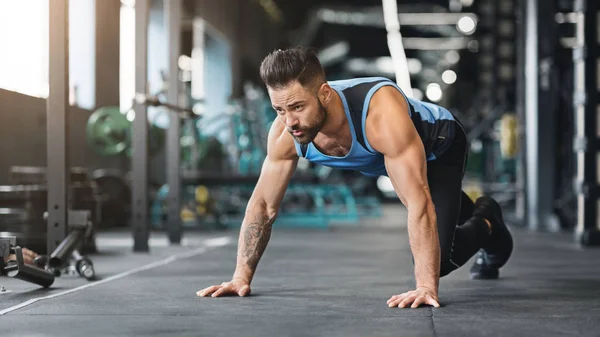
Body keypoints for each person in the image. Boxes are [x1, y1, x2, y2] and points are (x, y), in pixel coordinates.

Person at [197, 47, 513, 308]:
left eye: (296, 107)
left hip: (438, 146)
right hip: (390, 161)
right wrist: (241, 277)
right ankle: (478, 215)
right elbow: (263, 205)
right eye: (279, 109)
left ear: (324, 93)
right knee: (442, 210)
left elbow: (418, 203)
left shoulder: (379, 113)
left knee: (440, 258)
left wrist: (425, 287)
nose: (289, 121)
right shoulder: (285, 133)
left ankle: (487, 218)